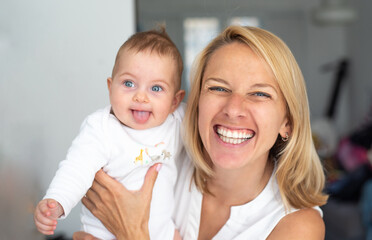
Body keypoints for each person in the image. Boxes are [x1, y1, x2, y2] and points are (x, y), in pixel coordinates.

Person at [73, 25, 328, 240]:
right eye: (218, 88)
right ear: (194, 102)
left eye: (259, 94)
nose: (233, 108)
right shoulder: (158, 153)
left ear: (288, 122)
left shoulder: (297, 226)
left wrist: (134, 234)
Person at [33, 26, 186, 240]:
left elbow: (204, 119)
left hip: (163, 233)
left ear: (175, 101)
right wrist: (56, 201)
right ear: (110, 87)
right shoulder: (101, 128)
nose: (141, 97)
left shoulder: (176, 123)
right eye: (129, 83)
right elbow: (76, 168)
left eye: (156, 88)